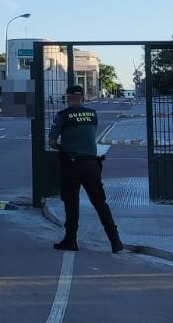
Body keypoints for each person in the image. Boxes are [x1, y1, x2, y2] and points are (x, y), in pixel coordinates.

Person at [48, 84, 124, 252]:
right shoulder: (92, 114)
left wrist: (63, 146)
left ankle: (71, 240)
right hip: (92, 164)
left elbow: (52, 141)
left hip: (71, 163)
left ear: (67, 97)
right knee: (100, 202)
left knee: (71, 202)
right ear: (82, 97)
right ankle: (115, 241)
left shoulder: (62, 115)